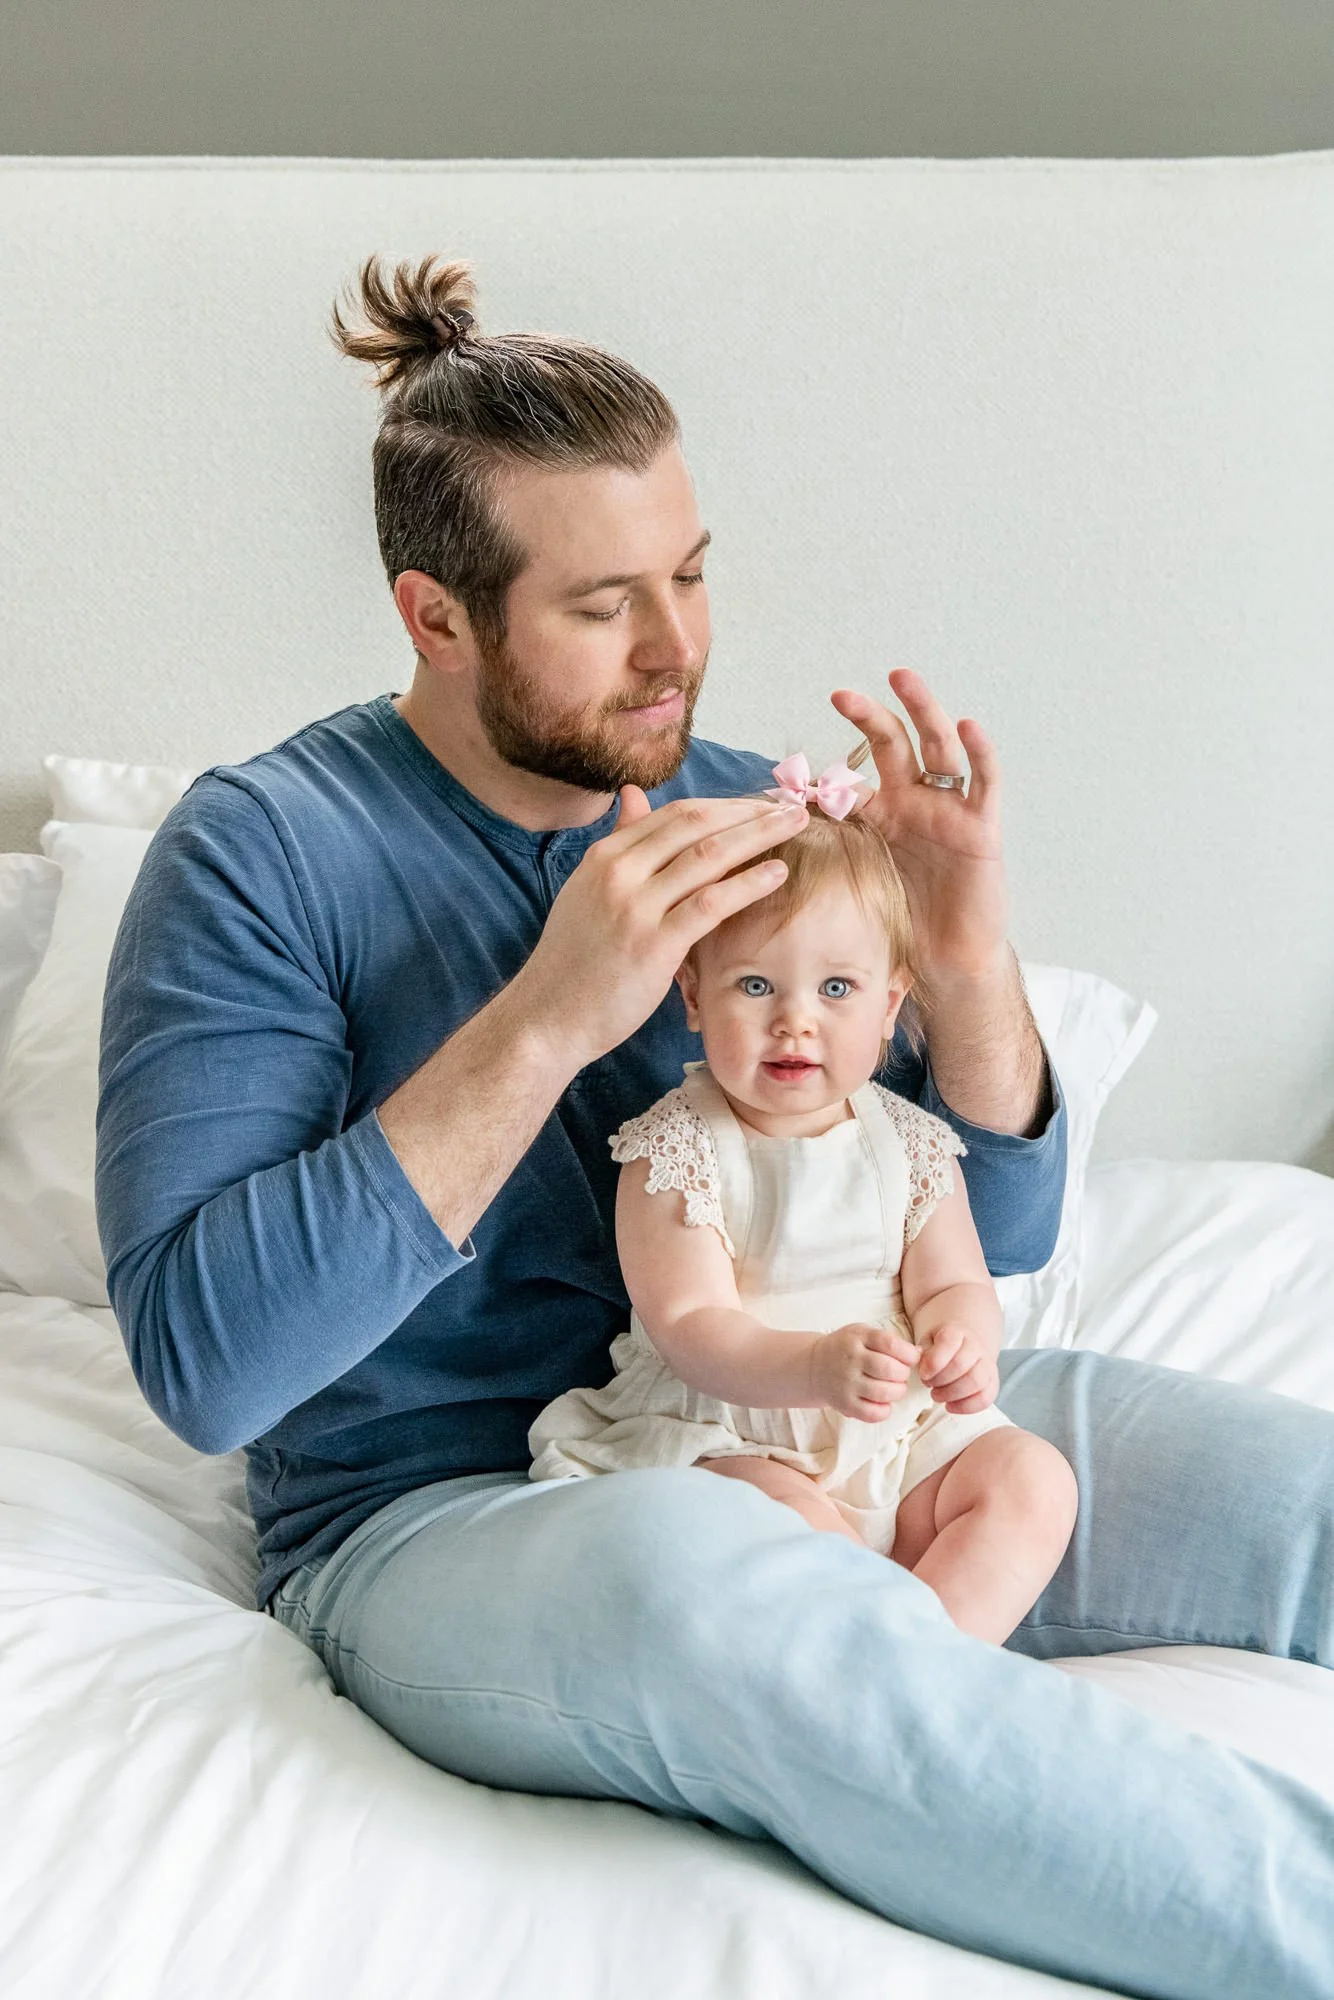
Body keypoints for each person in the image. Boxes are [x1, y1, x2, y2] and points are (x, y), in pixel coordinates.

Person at [94, 253, 1334, 1999]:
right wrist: (547, 1014)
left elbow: (994, 1225)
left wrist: (964, 959)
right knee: (734, 1598)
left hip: (851, 1412)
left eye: (687, 573)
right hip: (461, 1513)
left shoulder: (752, 812)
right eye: (603, 602)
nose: (677, 645)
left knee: (1299, 1500)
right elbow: (208, 1366)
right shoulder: (260, 854)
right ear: (433, 615)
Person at [528, 800, 1080, 1645]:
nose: (796, 1019)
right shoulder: (677, 1148)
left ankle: (944, 1662)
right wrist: (814, 1366)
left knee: (1032, 1480)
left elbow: (957, 1282)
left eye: (836, 988)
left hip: (896, 1433)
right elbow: (690, 1327)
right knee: (790, 1530)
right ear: (693, 995)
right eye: (756, 985)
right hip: (734, 1433)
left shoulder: (911, 1143)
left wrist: (963, 1341)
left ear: (890, 1005)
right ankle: (889, 1664)